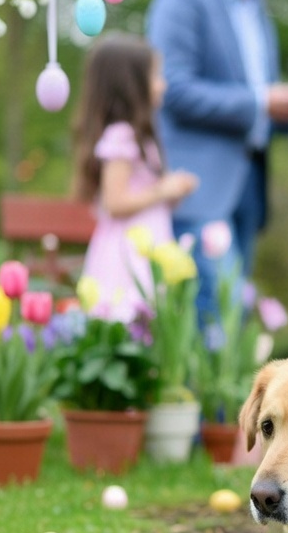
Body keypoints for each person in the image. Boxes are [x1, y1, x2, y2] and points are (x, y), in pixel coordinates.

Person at [146, 0, 288, 318]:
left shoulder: (258, 8)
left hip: (247, 189)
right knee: (211, 327)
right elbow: (173, 89)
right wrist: (262, 101)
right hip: (198, 190)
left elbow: (259, 103)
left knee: (230, 330)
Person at [74, 33, 198, 321]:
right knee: (129, 316)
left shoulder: (140, 137)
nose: (162, 84)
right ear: (130, 84)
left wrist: (171, 192)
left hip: (147, 243)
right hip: (127, 252)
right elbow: (115, 202)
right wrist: (163, 191)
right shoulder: (122, 136)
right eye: (155, 75)